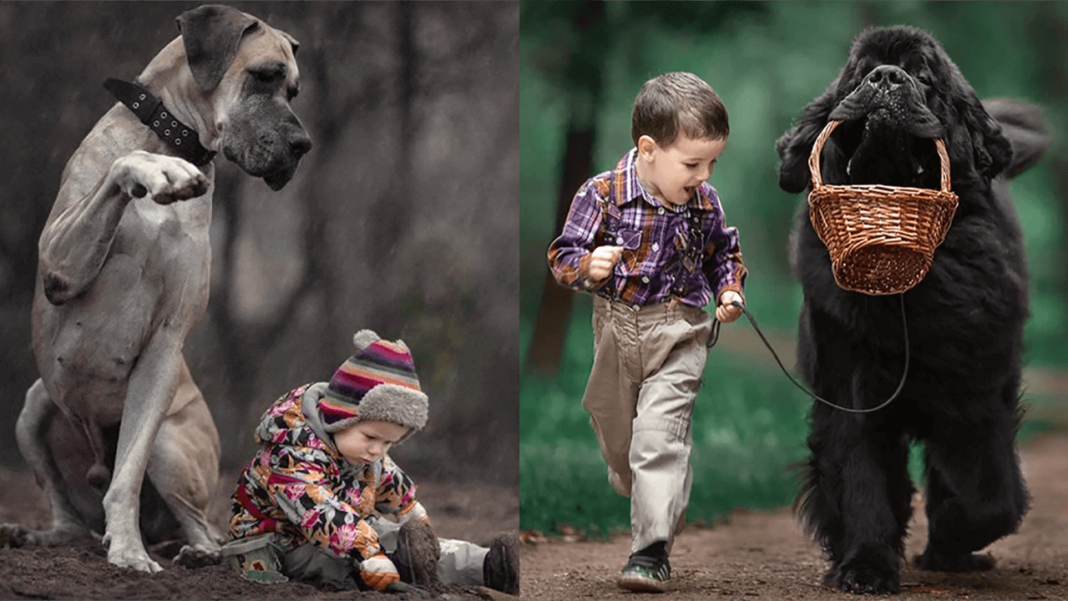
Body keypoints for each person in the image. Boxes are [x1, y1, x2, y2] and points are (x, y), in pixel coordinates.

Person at [546, 71, 747, 593]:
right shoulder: (604, 195)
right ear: (649, 149)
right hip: (615, 332)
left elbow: (723, 253)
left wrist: (728, 291)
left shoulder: (704, 202)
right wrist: (588, 265)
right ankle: (650, 488)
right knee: (620, 444)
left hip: (678, 331)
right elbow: (562, 255)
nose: (703, 175)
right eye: (692, 163)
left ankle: (650, 550)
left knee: (658, 438)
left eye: (711, 163)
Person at [224, 329, 519, 595]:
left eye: (389, 443)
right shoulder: (291, 454)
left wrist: (408, 508)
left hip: (347, 525)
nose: (377, 450)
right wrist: (368, 552)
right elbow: (318, 511)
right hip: (282, 540)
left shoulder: (357, 448)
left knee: (407, 541)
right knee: (344, 564)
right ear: (340, 416)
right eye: (371, 437)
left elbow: (384, 473)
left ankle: (487, 565)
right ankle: (400, 565)